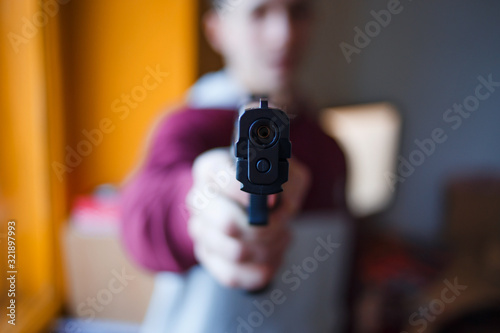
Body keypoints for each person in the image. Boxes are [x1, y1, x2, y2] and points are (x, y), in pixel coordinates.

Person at [120, 0, 353, 331]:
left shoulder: (329, 148)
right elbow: (143, 221)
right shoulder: (187, 126)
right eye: (258, 13)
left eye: (298, 11)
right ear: (217, 30)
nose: (283, 35)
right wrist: (199, 204)